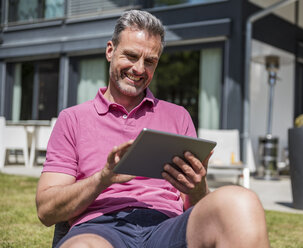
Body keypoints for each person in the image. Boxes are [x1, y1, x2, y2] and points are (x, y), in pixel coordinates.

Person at [36, 9, 270, 248]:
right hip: (101, 229)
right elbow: (46, 211)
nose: (139, 69)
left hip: (167, 228)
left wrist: (198, 186)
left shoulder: (178, 116)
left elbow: (194, 206)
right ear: (110, 51)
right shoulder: (73, 119)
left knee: (242, 201)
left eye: (150, 61)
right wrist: (102, 179)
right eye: (131, 56)